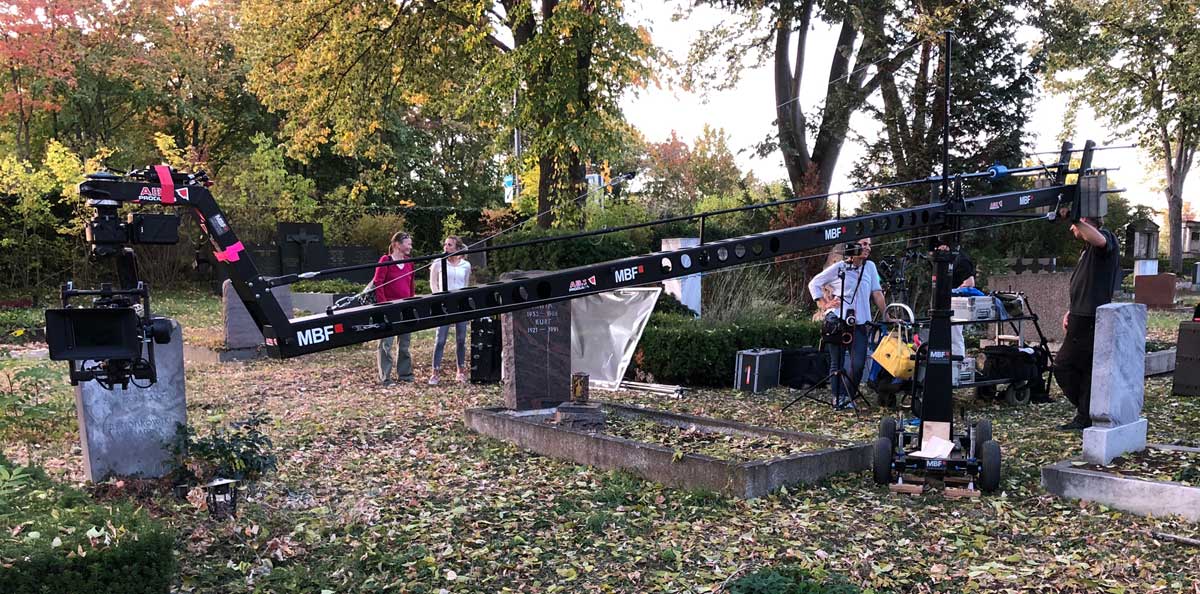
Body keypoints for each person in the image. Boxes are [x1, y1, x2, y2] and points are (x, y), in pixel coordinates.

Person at [1054, 216, 1120, 430]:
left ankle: (1087, 412)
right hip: (1079, 315)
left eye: (1075, 224)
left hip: (1090, 318)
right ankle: (1086, 414)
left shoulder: (1105, 239)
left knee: (1064, 366)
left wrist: (1076, 218)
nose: (1072, 228)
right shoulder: (1087, 251)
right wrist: (1070, 311)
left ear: (1085, 222)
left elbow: (1100, 240)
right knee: (1083, 368)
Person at [808, 238, 889, 409]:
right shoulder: (839, 268)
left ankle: (849, 396)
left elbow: (877, 293)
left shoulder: (870, 267)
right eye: (864, 244)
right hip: (838, 321)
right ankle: (837, 397)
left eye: (869, 244)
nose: (868, 247)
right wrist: (823, 304)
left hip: (860, 323)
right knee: (837, 363)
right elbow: (814, 283)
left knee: (858, 364)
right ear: (853, 247)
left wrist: (886, 315)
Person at [374, 231, 416, 385]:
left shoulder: (410, 262)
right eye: (408, 244)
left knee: (404, 344)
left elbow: (411, 284)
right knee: (386, 344)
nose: (410, 246)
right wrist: (383, 305)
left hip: (405, 306)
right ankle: (385, 377)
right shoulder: (386, 260)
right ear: (397, 244)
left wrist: (412, 302)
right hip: (389, 306)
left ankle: (405, 374)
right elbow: (379, 283)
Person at [429, 235, 472, 385]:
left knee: (461, 339)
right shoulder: (438, 264)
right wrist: (438, 300)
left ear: (457, 248)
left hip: (460, 305)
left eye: (450, 245)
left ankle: (460, 370)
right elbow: (433, 284)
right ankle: (435, 372)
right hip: (443, 304)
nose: (446, 248)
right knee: (440, 339)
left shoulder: (465, 265)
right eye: (445, 244)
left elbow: (465, 284)